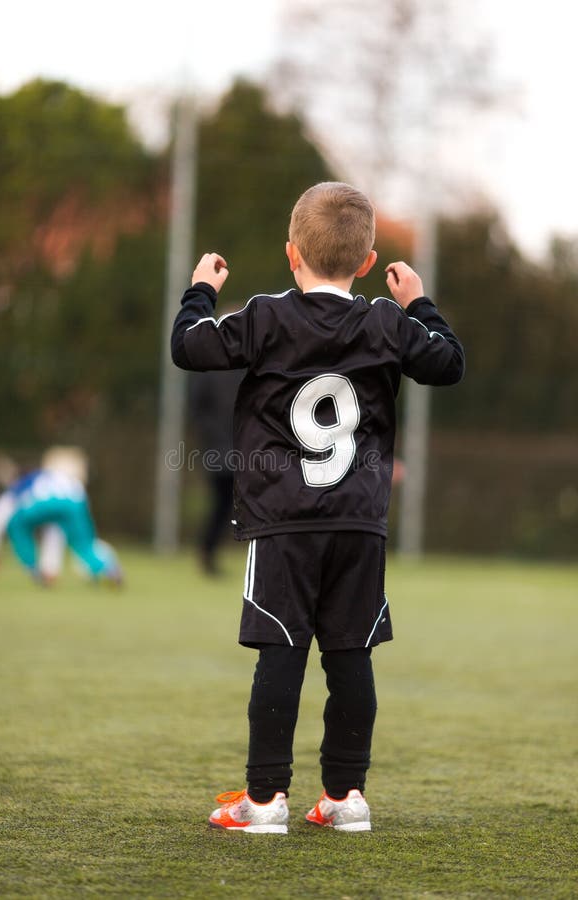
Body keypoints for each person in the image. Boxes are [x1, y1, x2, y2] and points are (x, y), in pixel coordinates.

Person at [171, 182, 464, 834]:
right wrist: (417, 301)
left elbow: (189, 346)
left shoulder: (268, 316)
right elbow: (448, 362)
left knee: (280, 651)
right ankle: (345, 797)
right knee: (349, 655)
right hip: (360, 522)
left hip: (285, 520)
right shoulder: (388, 321)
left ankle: (267, 799)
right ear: (367, 263)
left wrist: (201, 290)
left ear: (290, 254)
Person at [0, 447, 122, 585]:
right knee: (83, 543)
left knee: (17, 524)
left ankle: (33, 568)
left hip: (46, 501)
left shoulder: (25, 482)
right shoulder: (65, 479)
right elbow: (57, 530)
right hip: (76, 502)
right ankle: (107, 568)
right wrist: (51, 567)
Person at [189, 367, 243, 575]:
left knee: (228, 505)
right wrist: (213, 438)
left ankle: (208, 552)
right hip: (218, 450)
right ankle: (207, 552)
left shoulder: (243, 368)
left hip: (243, 447)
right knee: (222, 504)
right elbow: (197, 410)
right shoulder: (206, 370)